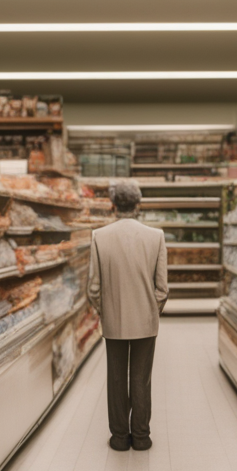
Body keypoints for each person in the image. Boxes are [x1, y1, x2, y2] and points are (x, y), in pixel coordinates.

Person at [87, 180, 169, 451]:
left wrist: (106, 311)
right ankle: (142, 437)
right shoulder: (155, 236)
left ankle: (120, 437)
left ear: (113, 205)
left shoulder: (99, 236)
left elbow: (94, 288)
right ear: (138, 204)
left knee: (116, 378)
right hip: (146, 320)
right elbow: (162, 288)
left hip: (114, 321)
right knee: (141, 379)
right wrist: (150, 310)